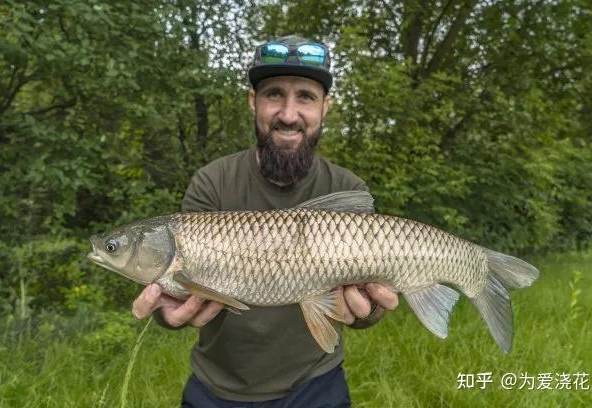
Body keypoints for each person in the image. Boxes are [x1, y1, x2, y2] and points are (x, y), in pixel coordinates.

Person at [131, 35, 399, 407]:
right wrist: (166, 308)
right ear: (253, 101)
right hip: (217, 386)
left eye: (305, 96)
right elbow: (181, 297)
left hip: (316, 383)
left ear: (325, 107)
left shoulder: (346, 188)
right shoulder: (212, 182)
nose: (289, 114)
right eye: (274, 94)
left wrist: (370, 311)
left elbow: (364, 304)